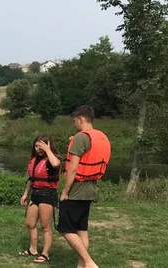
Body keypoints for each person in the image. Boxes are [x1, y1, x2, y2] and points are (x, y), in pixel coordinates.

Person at [57, 105, 111, 268]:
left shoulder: (80, 137)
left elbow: (73, 168)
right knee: (81, 228)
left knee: (64, 227)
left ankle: (89, 263)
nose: (74, 124)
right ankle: (82, 265)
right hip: (91, 189)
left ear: (80, 119)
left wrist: (65, 191)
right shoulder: (101, 136)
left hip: (77, 189)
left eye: (75, 121)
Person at [19, 135, 61, 264]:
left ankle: (45, 254)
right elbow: (32, 179)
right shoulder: (35, 159)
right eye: (36, 146)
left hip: (47, 194)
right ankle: (33, 249)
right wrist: (26, 194)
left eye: (41, 146)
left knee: (45, 226)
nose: (38, 149)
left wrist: (48, 151)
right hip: (35, 194)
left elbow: (56, 164)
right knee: (30, 223)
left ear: (48, 145)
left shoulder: (52, 159)